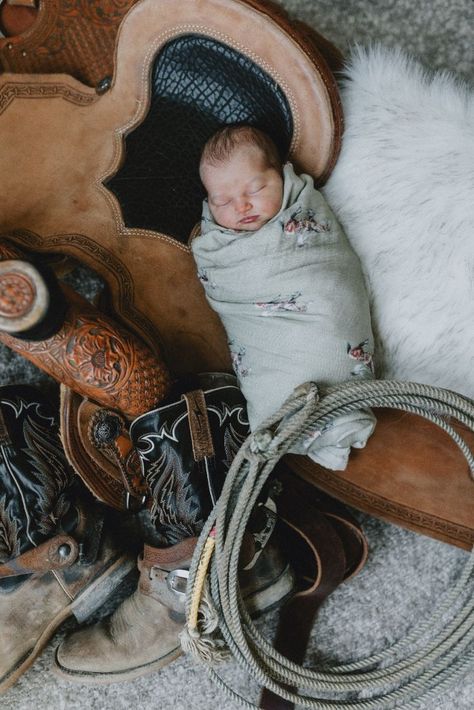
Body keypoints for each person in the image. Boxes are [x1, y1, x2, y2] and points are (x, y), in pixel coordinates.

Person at [191, 125, 376, 470]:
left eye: (256, 188)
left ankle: (341, 420)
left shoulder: (304, 208)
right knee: (273, 391)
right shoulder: (217, 248)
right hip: (264, 341)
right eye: (223, 201)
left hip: (320, 313)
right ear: (208, 203)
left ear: (282, 176)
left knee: (332, 332)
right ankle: (304, 428)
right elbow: (220, 281)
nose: (242, 205)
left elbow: (332, 275)